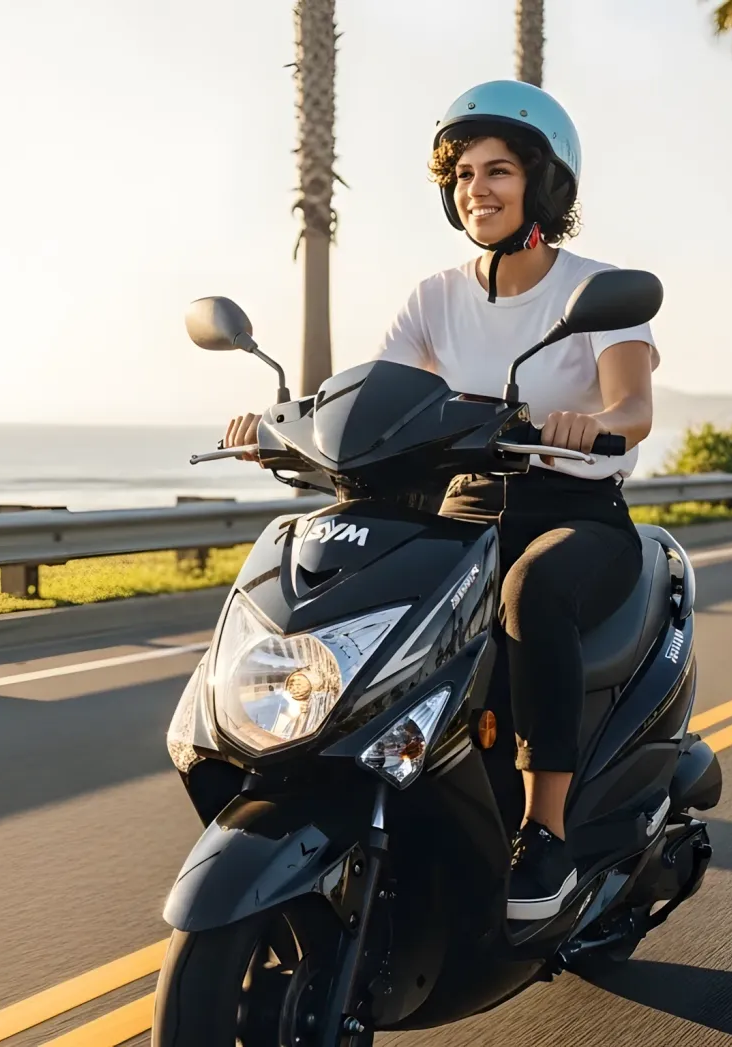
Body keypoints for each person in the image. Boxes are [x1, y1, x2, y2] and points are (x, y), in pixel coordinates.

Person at [225, 80, 657, 921]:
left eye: (498, 171)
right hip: (466, 506)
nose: (476, 190)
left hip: (574, 515)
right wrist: (279, 425)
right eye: (462, 175)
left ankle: (544, 831)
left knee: (531, 589)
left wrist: (591, 425)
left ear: (542, 184)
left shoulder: (594, 291)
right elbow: (370, 400)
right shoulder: (435, 296)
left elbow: (633, 408)